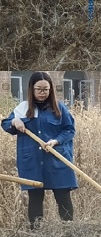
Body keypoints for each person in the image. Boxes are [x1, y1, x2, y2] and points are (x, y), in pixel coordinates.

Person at [2, 72, 76, 227]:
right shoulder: (23, 108)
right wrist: (15, 122)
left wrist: (56, 141)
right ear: (31, 89)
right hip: (33, 162)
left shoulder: (59, 108)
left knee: (63, 197)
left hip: (57, 160)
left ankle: (70, 233)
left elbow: (69, 130)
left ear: (51, 90)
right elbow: (6, 124)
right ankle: (37, 235)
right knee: (35, 199)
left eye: (46, 89)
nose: (42, 93)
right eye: (39, 89)